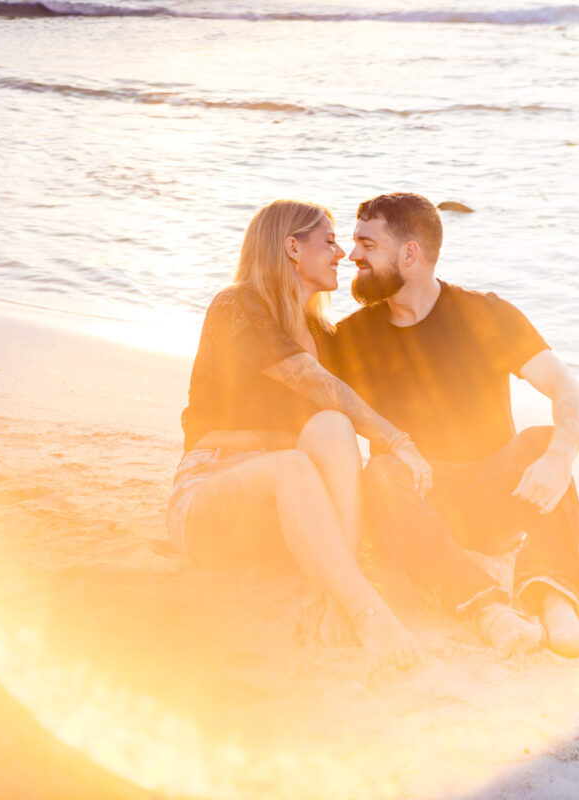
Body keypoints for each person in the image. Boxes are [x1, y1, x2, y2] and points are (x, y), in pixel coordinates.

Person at [326, 192, 579, 657]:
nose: (353, 255)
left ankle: (555, 604)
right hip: (416, 508)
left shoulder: (486, 315)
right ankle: (486, 610)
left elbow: (568, 390)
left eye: (367, 245)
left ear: (410, 254)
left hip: (494, 502)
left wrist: (560, 456)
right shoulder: (349, 339)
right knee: (383, 473)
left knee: (543, 441)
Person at [167, 199, 432, 668]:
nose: (341, 254)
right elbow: (314, 383)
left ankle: (338, 590)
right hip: (211, 508)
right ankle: (365, 610)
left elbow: (355, 402)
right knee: (294, 462)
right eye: (329, 242)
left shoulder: (321, 334)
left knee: (332, 426)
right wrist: (398, 440)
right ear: (292, 247)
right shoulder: (236, 305)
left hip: (289, 525)